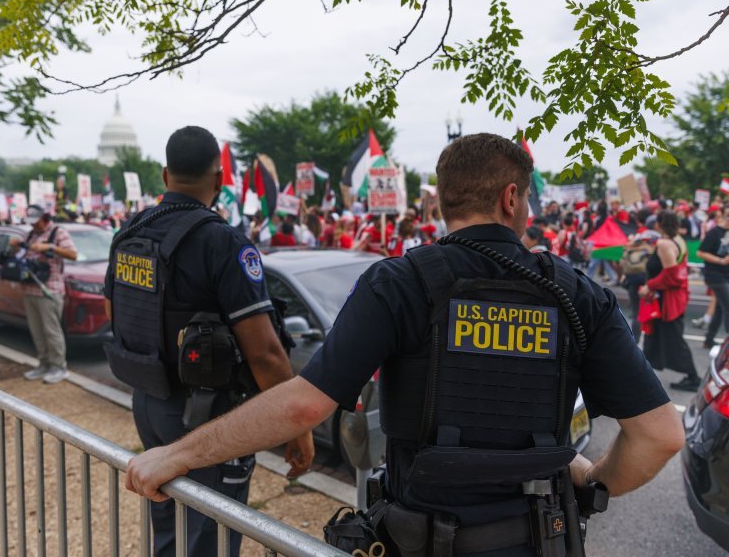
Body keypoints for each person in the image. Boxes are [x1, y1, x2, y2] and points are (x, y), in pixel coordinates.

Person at [126, 133, 683, 556]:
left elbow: (304, 403)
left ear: (443, 201)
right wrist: (591, 482)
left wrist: (174, 454)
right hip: (540, 539)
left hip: (422, 538)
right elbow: (659, 435)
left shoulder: (401, 282)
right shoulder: (577, 294)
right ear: (513, 198)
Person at [104, 126, 313, 557]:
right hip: (209, 419)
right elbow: (267, 353)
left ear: (165, 176)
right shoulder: (223, 242)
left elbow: (116, 315)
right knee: (209, 538)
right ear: (219, 180)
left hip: (149, 399)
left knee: (167, 520)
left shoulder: (130, 232)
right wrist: (298, 424)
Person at [10, 206, 78, 384]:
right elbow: (20, 255)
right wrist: (15, 246)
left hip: (50, 289)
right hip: (30, 288)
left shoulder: (58, 232)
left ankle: (58, 367)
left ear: (45, 218)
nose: (35, 225)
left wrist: (49, 247)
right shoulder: (30, 234)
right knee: (37, 330)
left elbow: (73, 254)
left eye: (37, 221)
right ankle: (44, 363)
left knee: (51, 331)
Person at [639, 210, 700, 391]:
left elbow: (671, 276)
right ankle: (642, 375)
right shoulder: (679, 240)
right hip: (671, 298)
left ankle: (693, 377)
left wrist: (649, 285)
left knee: (673, 339)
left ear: (658, 224)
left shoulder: (665, 244)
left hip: (666, 300)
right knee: (653, 337)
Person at [697, 205, 729, 349]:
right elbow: (701, 253)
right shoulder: (714, 232)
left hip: (726, 274)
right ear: (722, 215)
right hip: (714, 274)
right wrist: (720, 260)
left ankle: (709, 340)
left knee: (721, 308)